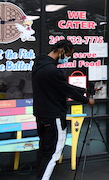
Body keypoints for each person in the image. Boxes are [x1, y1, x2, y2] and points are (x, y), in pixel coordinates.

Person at [32, 39, 95, 180]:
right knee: (53, 153)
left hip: (42, 116)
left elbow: (61, 86)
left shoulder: (40, 66)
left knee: (44, 152)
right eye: (68, 54)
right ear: (61, 51)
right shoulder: (52, 71)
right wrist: (86, 99)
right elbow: (66, 90)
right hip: (54, 117)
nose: (67, 58)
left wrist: (85, 89)